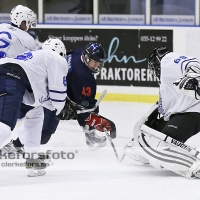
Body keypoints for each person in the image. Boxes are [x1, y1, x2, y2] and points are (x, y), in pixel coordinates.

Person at [122, 46, 200, 179]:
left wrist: (193, 76)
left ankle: (192, 165)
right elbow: (161, 112)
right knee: (153, 143)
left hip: (193, 112)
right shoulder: (168, 83)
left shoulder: (167, 61)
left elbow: (193, 63)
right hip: (186, 113)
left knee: (160, 147)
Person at [0, 38, 68, 176]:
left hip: (8, 75)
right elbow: (57, 93)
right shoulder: (56, 59)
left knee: (36, 113)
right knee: (5, 127)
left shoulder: (36, 62)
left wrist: (59, 106)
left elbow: (42, 101)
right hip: (10, 78)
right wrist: (63, 108)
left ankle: (32, 158)